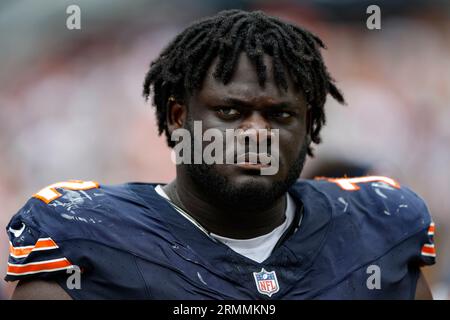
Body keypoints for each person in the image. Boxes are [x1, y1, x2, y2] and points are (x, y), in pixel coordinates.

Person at [6, 9, 435, 299]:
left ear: (309, 128)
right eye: (230, 111)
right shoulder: (84, 234)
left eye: (280, 115)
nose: (256, 133)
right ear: (178, 117)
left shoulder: (380, 229)